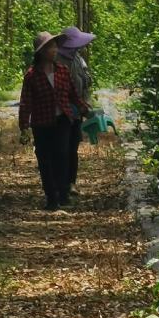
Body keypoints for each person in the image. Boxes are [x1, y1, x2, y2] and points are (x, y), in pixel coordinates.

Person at [18, 32, 88, 211]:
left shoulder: (63, 71)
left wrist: (84, 108)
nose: (54, 50)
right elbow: (26, 102)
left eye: (55, 46)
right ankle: (51, 197)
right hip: (41, 123)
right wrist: (24, 126)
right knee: (44, 159)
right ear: (41, 52)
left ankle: (63, 195)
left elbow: (73, 94)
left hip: (62, 120)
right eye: (50, 47)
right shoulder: (32, 75)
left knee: (62, 156)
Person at [55, 26, 94, 196]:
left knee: (72, 147)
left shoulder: (77, 58)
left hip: (77, 110)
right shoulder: (58, 61)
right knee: (62, 148)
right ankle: (60, 183)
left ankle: (70, 182)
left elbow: (85, 81)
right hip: (62, 112)